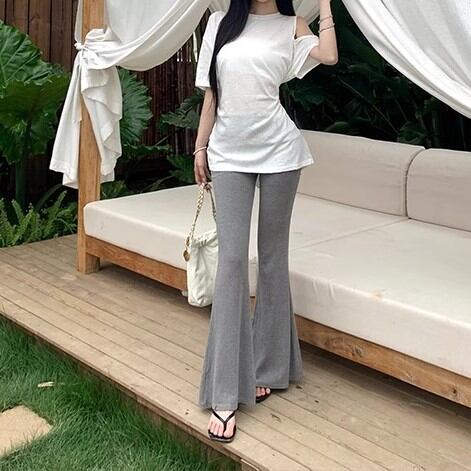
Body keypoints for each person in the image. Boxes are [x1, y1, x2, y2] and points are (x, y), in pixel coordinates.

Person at [193, 0, 338, 442]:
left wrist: (325, 4)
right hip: (228, 154)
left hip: (280, 154)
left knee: (273, 260)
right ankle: (224, 391)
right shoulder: (220, 23)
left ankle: (269, 368)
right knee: (232, 262)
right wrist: (200, 146)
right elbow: (212, 93)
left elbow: (329, 55)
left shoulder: (291, 25)